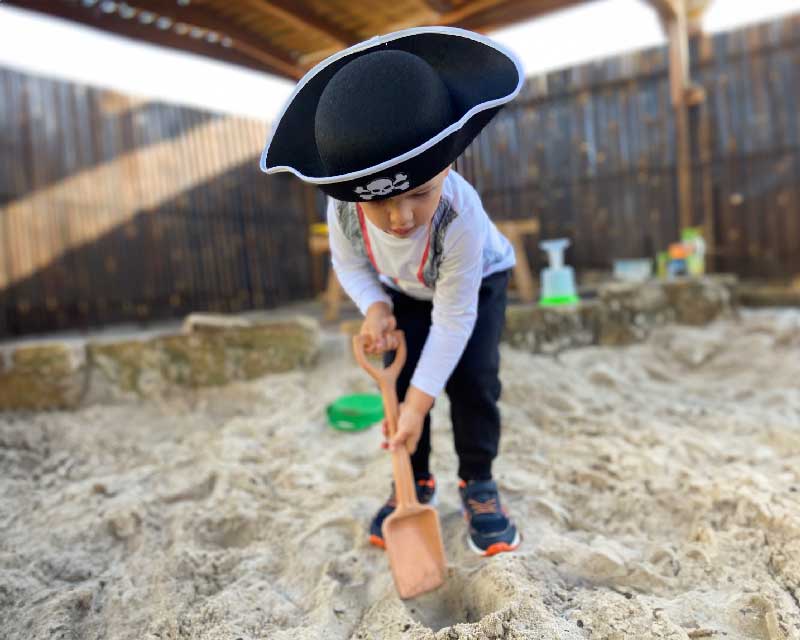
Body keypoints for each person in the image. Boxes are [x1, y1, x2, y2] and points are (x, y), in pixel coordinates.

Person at [261, 27, 523, 556]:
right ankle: (415, 480)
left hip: (475, 285)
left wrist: (421, 405)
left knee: (473, 382)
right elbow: (350, 263)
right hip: (402, 287)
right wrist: (375, 306)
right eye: (383, 204)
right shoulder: (344, 211)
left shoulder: (459, 217)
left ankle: (478, 482)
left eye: (419, 194)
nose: (401, 217)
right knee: (400, 383)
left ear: (447, 165)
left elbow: (453, 322)